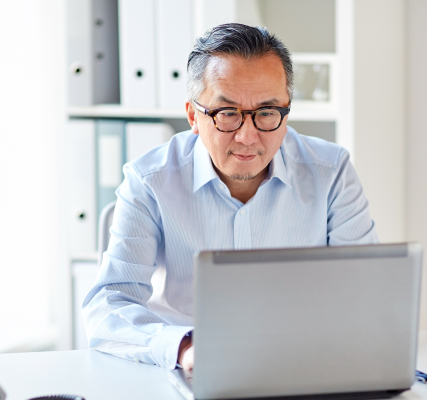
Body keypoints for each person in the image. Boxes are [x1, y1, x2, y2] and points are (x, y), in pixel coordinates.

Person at [82, 23, 378, 371]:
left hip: (304, 365)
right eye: (228, 114)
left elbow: (367, 292)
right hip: (190, 367)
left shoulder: (331, 172)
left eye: (267, 112)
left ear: (286, 112)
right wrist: (183, 348)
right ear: (194, 115)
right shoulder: (150, 181)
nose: (248, 137)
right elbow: (109, 305)